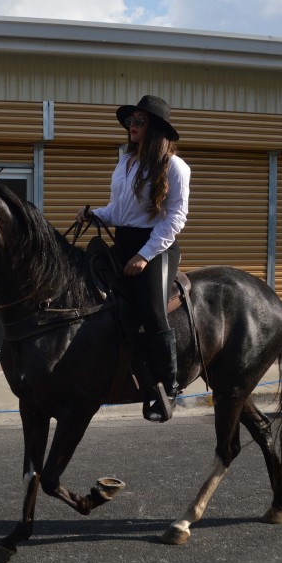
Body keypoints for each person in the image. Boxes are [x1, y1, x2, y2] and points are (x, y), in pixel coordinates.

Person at [77, 95, 191, 423]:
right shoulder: (126, 162)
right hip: (124, 242)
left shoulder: (175, 167)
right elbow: (118, 211)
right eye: (131, 121)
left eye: (139, 121)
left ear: (155, 128)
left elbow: (176, 218)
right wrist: (94, 214)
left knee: (152, 311)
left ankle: (168, 387)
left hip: (156, 247)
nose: (132, 126)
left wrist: (144, 255)